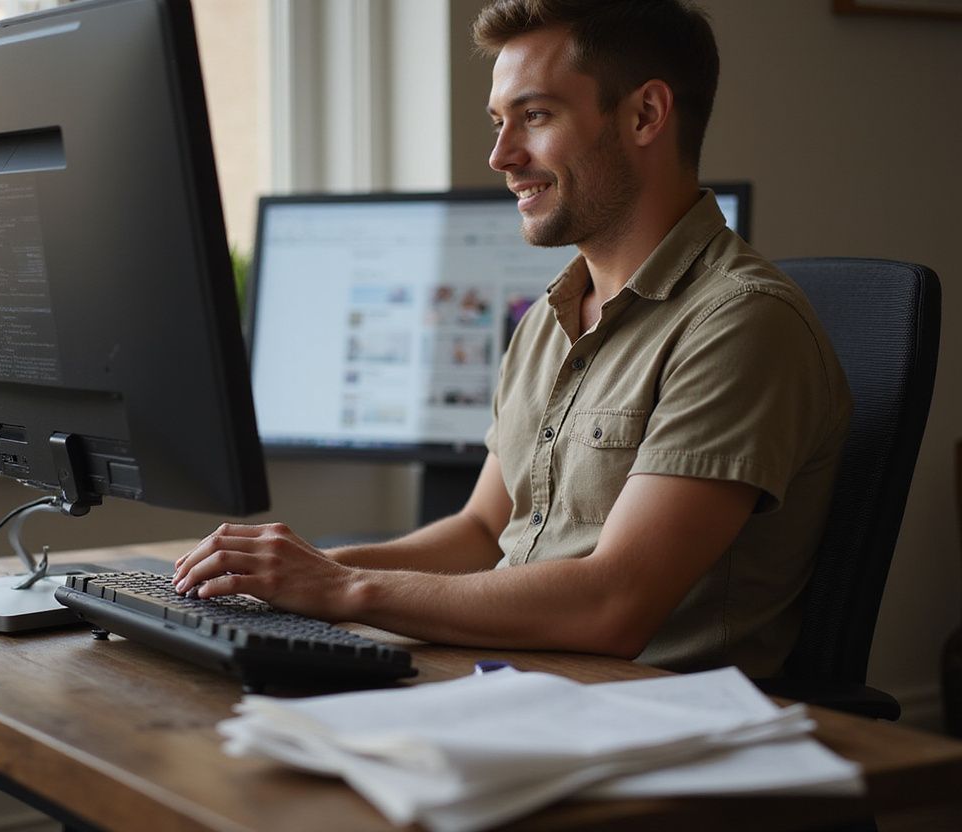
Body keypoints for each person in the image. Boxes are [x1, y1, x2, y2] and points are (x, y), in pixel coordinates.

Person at [173, 0, 850, 677]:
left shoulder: (739, 322)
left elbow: (615, 604)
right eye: (500, 122)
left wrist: (341, 589)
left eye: (536, 116)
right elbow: (480, 532)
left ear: (645, 114)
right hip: (505, 685)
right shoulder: (548, 317)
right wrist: (285, 575)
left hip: (644, 721)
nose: (502, 156)